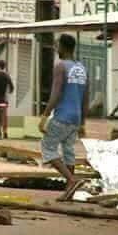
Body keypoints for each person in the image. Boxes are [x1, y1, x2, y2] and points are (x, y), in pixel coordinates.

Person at [38, 34, 89, 201]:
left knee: (47, 148)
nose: (55, 48)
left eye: (56, 45)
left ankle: (71, 179)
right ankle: (70, 192)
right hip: (75, 117)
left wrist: (45, 116)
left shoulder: (61, 66)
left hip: (62, 115)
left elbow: (56, 94)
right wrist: (82, 122)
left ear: (63, 47)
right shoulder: (81, 67)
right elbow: (85, 96)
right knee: (68, 152)